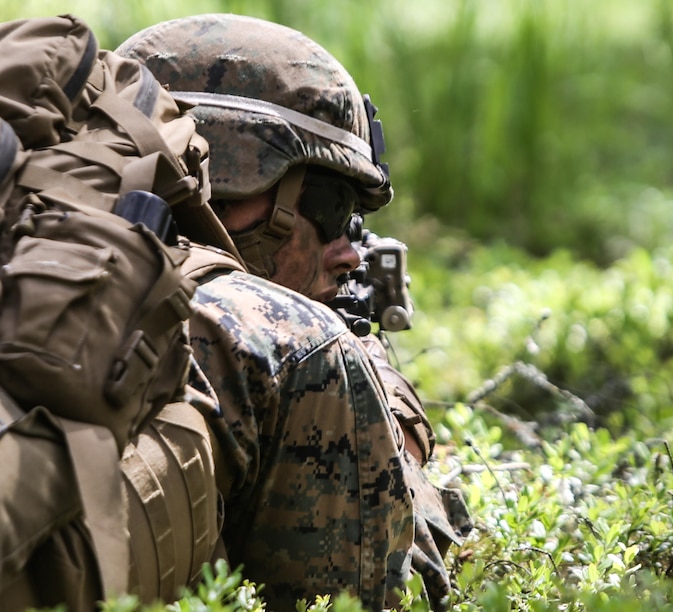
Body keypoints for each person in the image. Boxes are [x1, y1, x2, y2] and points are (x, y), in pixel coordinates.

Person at [115, 13, 471, 611]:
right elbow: (395, 588)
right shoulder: (284, 339)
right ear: (232, 184)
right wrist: (381, 407)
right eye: (333, 207)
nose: (351, 251)